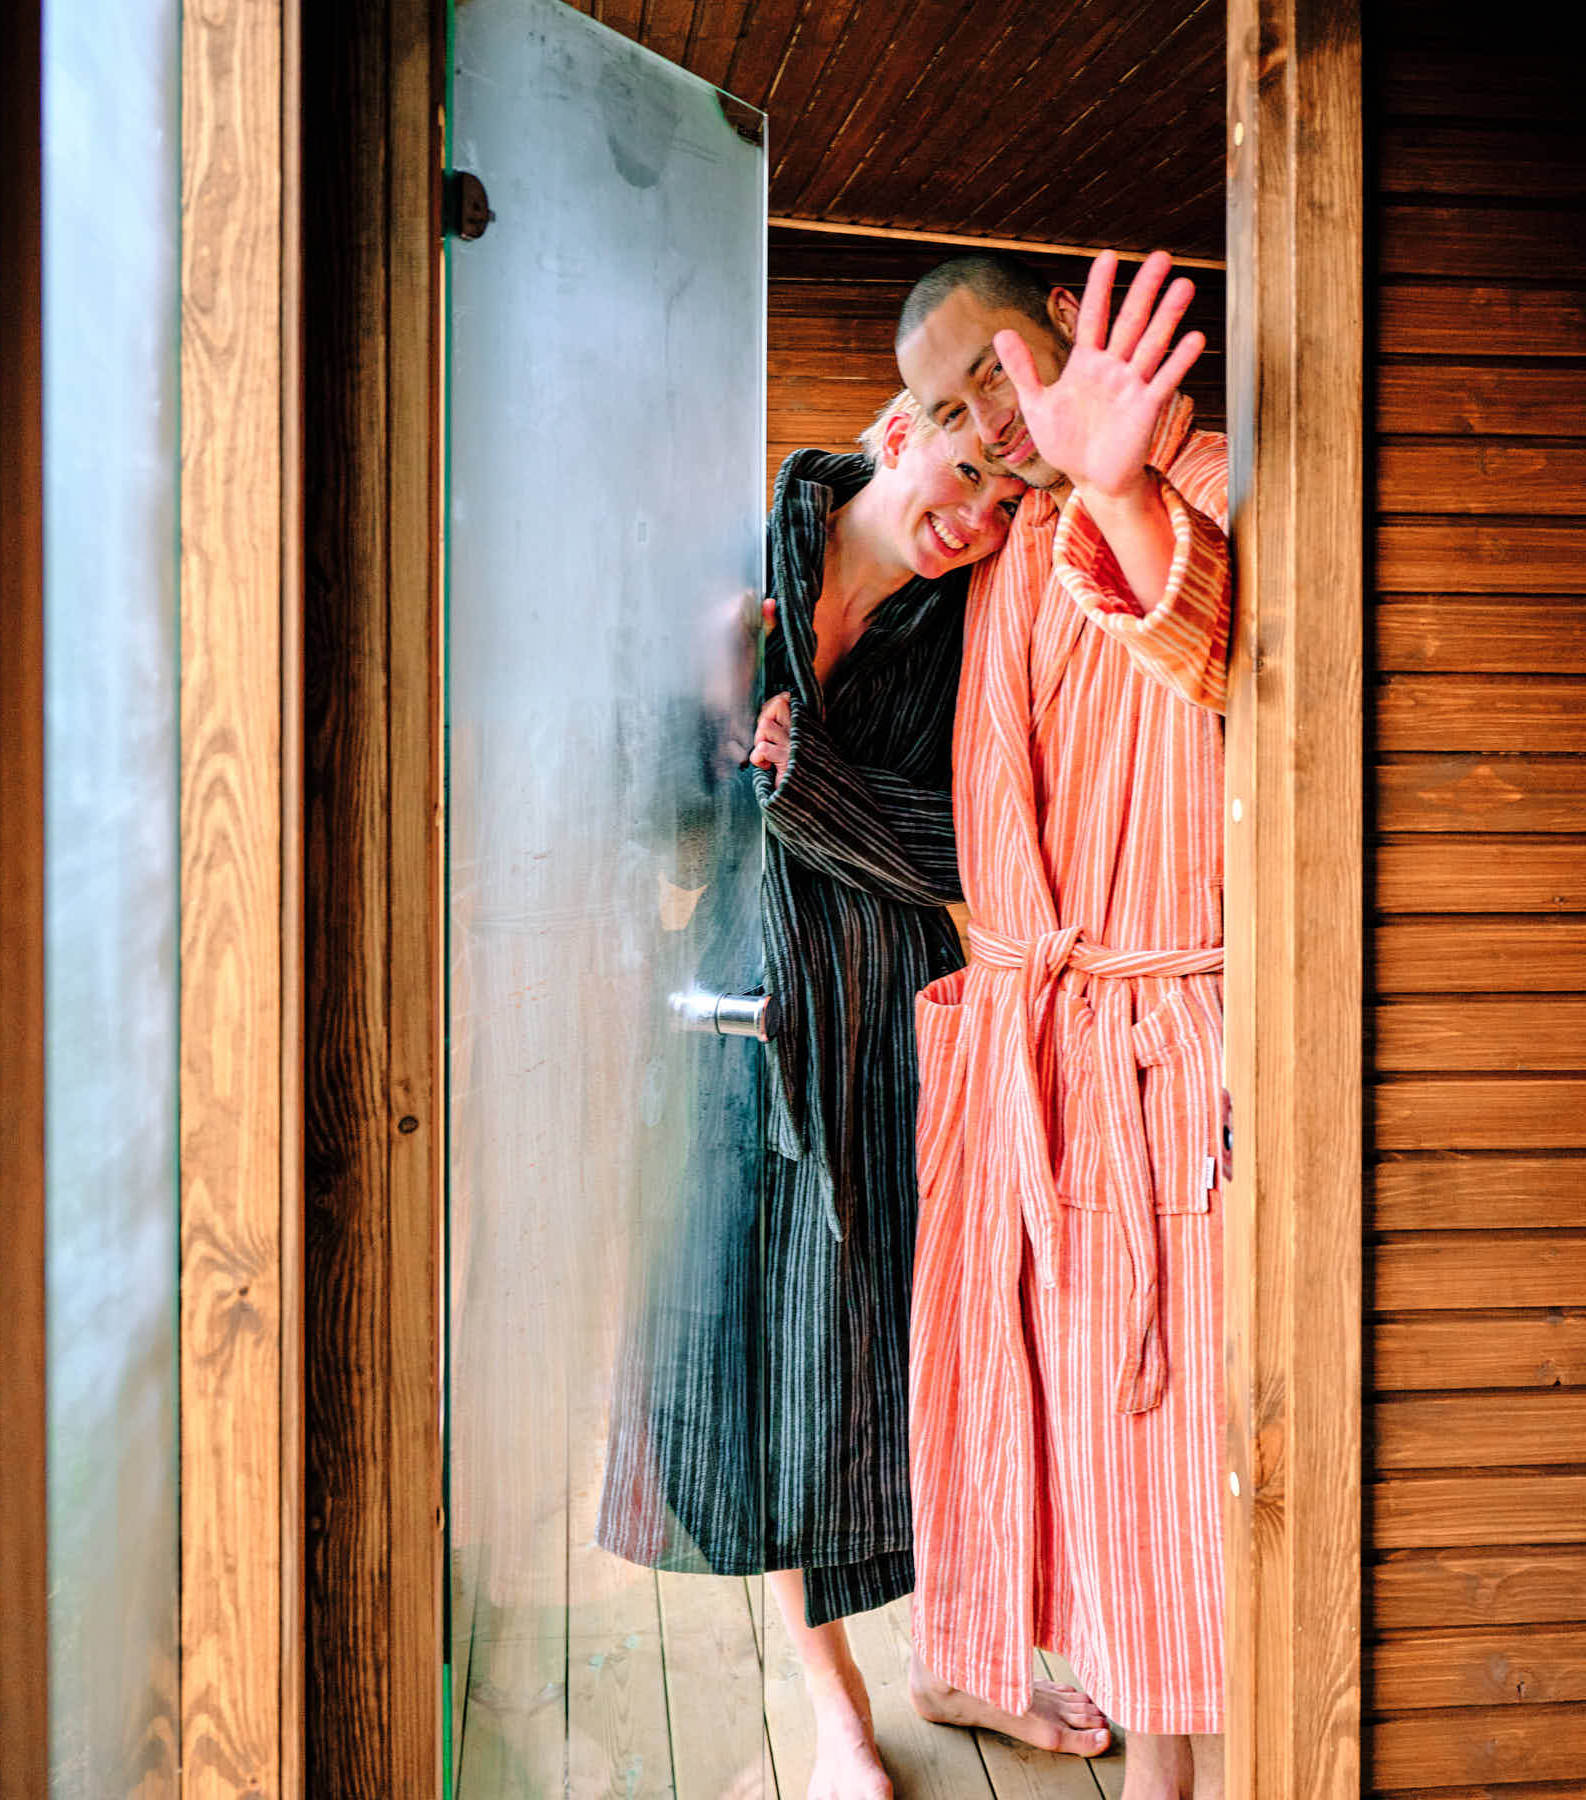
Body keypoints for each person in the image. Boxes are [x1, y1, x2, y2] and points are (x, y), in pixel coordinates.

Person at [601, 393, 1093, 1800]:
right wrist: (711, 718)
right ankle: (836, 1711)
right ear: (899, 423)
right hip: (741, 1025)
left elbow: (978, 842)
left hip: (902, 1025)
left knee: (928, 1356)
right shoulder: (730, 569)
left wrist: (807, 776)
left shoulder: (971, 616)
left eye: (1009, 498)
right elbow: (651, 821)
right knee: (775, 1367)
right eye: (970, 470)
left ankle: (963, 1659)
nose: (979, 517)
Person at [894, 248, 1230, 1800]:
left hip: (1159, 1051)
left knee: (1165, 1435)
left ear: (1067, 328)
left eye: (996, 373)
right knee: (1085, 1432)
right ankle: (1137, 1752)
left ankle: (1187, 1769)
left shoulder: (1203, 481)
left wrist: (1124, 493)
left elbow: (1210, 637)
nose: (989, 421)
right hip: (1038, 1048)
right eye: (951, 408)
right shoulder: (1005, 542)